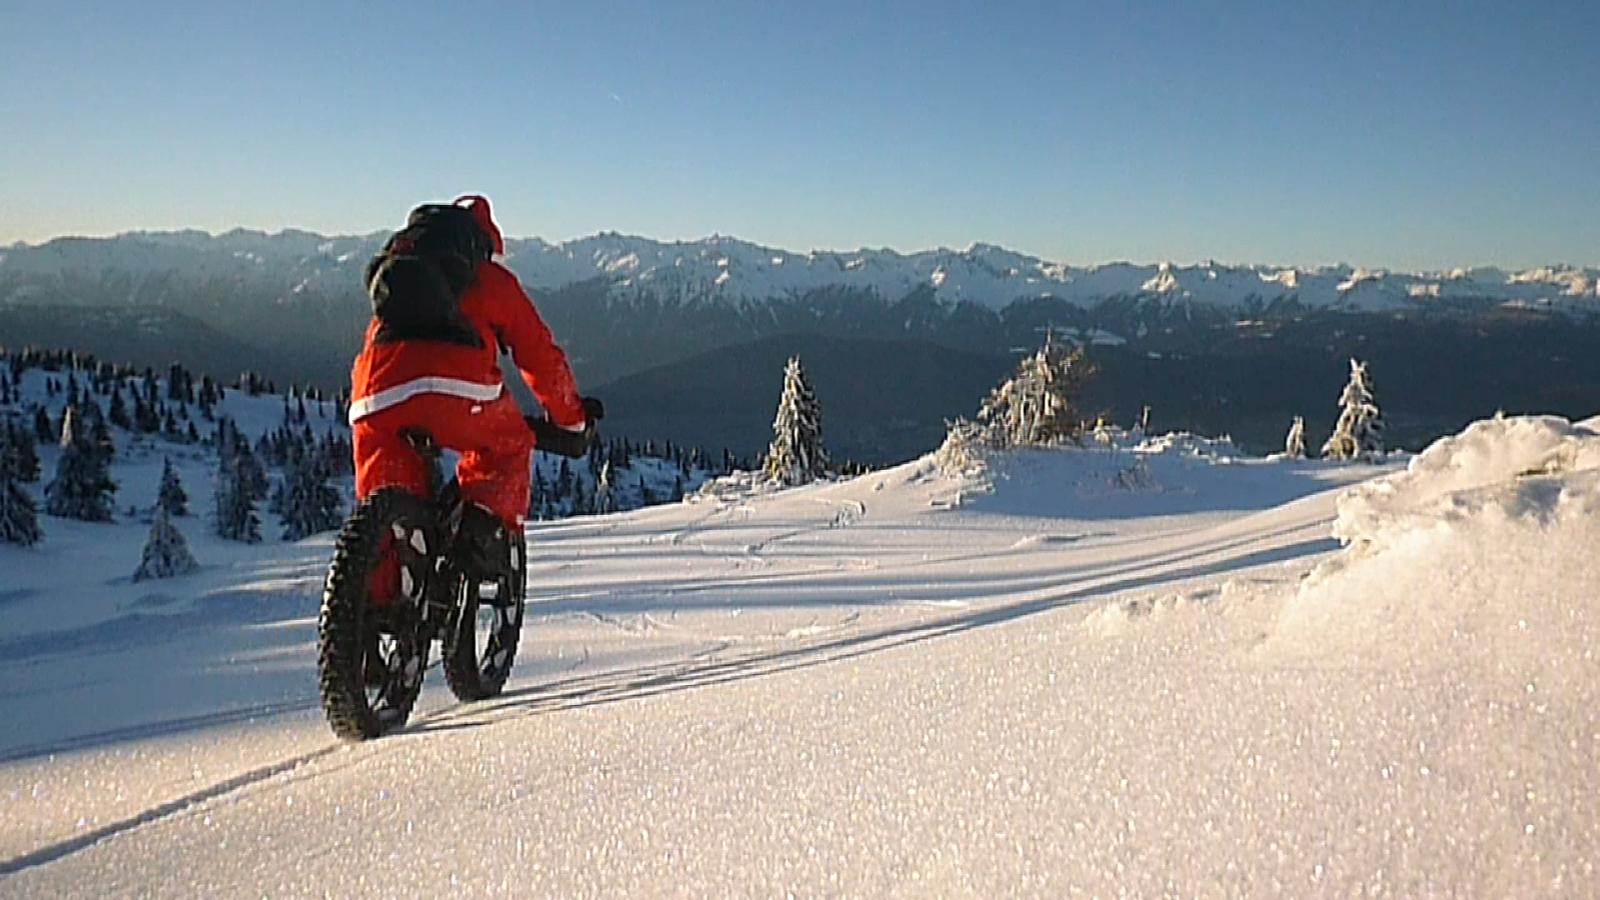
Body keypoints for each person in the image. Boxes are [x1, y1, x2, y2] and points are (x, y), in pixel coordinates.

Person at [349, 195, 596, 575]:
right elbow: (539, 356)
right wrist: (572, 421)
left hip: (375, 392)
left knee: (386, 507)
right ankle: (478, 536)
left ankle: (374, 591)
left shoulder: (396, 279)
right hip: (460, 390)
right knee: (509, 444)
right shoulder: (489, 278)